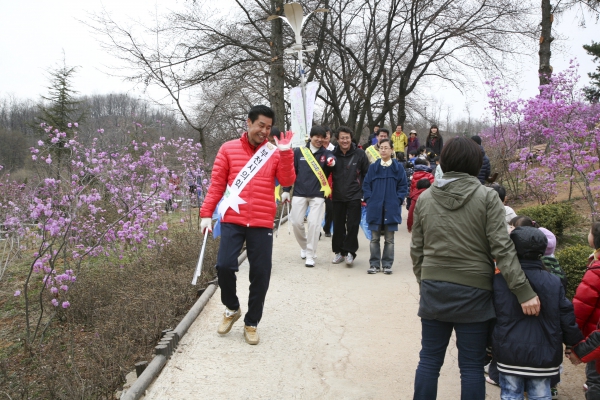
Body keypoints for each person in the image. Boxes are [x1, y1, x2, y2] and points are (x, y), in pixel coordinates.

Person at [411, 136, 540, 399]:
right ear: (476, 163)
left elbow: (417, 250)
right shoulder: (487, 197)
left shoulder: (425, 198)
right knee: (470, 366)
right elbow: (501, 248)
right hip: (475, 291)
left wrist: (425, 281)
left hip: (435, 288)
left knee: (429, 360)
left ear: (444, 162)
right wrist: (523, 291)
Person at [199, 105, 296, 345]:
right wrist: (205, 213)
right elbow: (217, 185)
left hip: (262, 222)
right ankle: (232, 308)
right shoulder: (228, 149)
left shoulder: (274, 152)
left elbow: (287, 181)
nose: (264, 131)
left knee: (260, 273)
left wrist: (285, 154)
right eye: (260, 125)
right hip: (233, 218)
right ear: (248, 123)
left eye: (268, 127)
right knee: (224, 266)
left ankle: (252, 323)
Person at [491, 226, 583, 400]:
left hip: (508, 352)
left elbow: (492, 315)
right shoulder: (553, 282)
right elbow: (566, 316)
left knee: (510, 395)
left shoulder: (499, 281)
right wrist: (573, 344)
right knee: (541, 395)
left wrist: (488, 345)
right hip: (545, 353)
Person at [282, 126, 336, 268]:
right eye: (316, 136)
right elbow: (290, 172)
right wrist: (286, 190)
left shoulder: (326, 154)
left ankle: (311, 254)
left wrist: (332, 162)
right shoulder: (299, 152)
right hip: (299, 192)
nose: (319, 139)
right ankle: (305, 246)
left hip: (317, 194)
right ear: (310, 137)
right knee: (296, 222)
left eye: (322, 137)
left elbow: (332, 160)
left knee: (314, 224)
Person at [362, 139, 408, 275]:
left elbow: (403, 186)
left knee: (389, 239)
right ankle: (374, 264)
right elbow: (366, 185)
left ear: (392, 150)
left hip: (391, 208)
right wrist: (370, 200)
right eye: (381, 148)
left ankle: (387, 264)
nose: (383, 150)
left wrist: (397, 200)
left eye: (386, 148)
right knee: (374, 238)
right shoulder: (373, 167)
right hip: (375, 208)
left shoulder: (398, 168)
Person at [330, 126, 370, 265]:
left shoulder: (360, 153)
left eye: (347, 137)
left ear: (351, 138)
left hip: (354, 195)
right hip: (337, 195)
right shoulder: (332, 154)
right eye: (342, 138)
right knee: (338, 226)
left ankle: (350, 252)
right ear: (337, 139)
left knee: (353, 225)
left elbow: (366, 173)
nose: (345, 140)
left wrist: (364, 192)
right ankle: (339, 252)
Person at [569, 222, 600, 399]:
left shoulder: (596, 270)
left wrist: (574, 340)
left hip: (594, 336)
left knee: (596, 380)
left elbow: (581, 307)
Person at [322, 128, 335, 237]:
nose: (326, 137)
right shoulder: (317, 149)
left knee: (330, 209)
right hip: (316, 184)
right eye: (324, 135)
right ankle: (316, 232)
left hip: (330, 184)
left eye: (328, 135)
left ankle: (327, 228)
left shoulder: (333, 149)